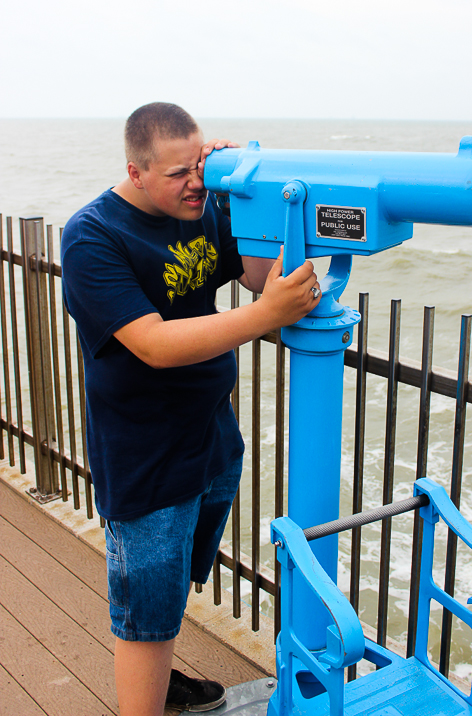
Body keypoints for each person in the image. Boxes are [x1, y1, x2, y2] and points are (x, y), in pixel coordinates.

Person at [60, 102, 321, 716]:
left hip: (211, 437)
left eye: (199, 165)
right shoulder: (93, 235)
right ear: (136, 170)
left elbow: (260, 277)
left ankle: (160, 683)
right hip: (144, 455)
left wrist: (245, 192)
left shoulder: (203, 206)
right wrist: (264, 320)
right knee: (144, 611)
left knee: (172, 588)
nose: (195, 182)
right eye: (178, 173)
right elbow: (151, 344)